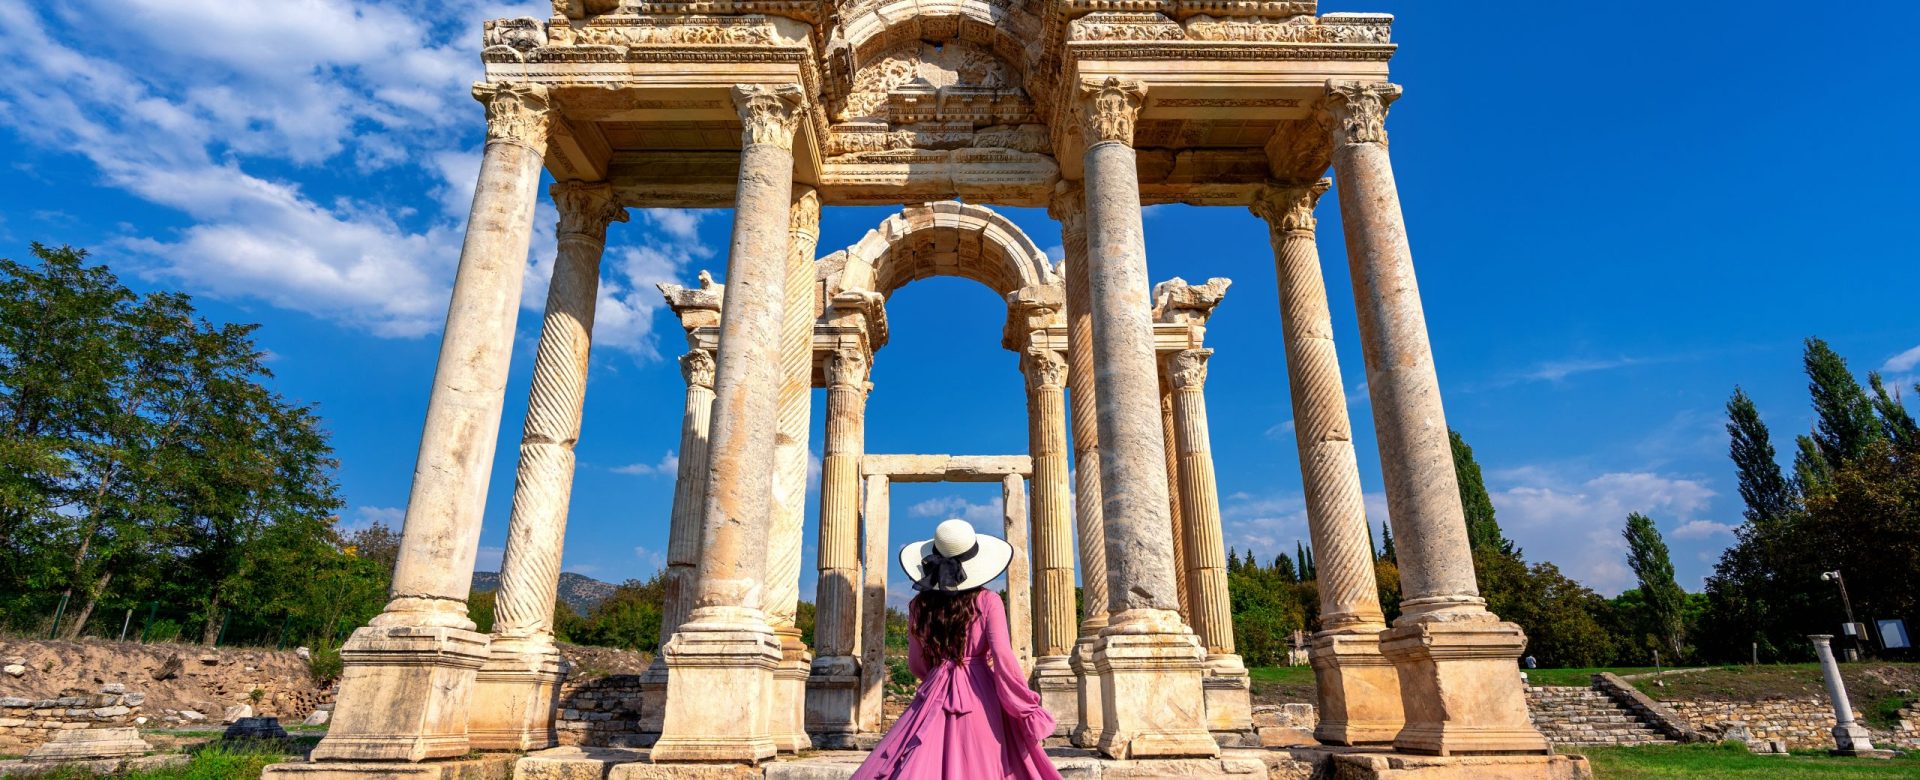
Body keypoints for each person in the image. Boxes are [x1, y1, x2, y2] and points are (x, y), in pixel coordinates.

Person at [851, 519, 1063, 780]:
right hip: (981, 694)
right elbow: (1004, 659)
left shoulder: (918, 605)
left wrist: (940, 674)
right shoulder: (988, 600)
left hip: (935, 688)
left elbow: (916, 665)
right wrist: (1025, 708)